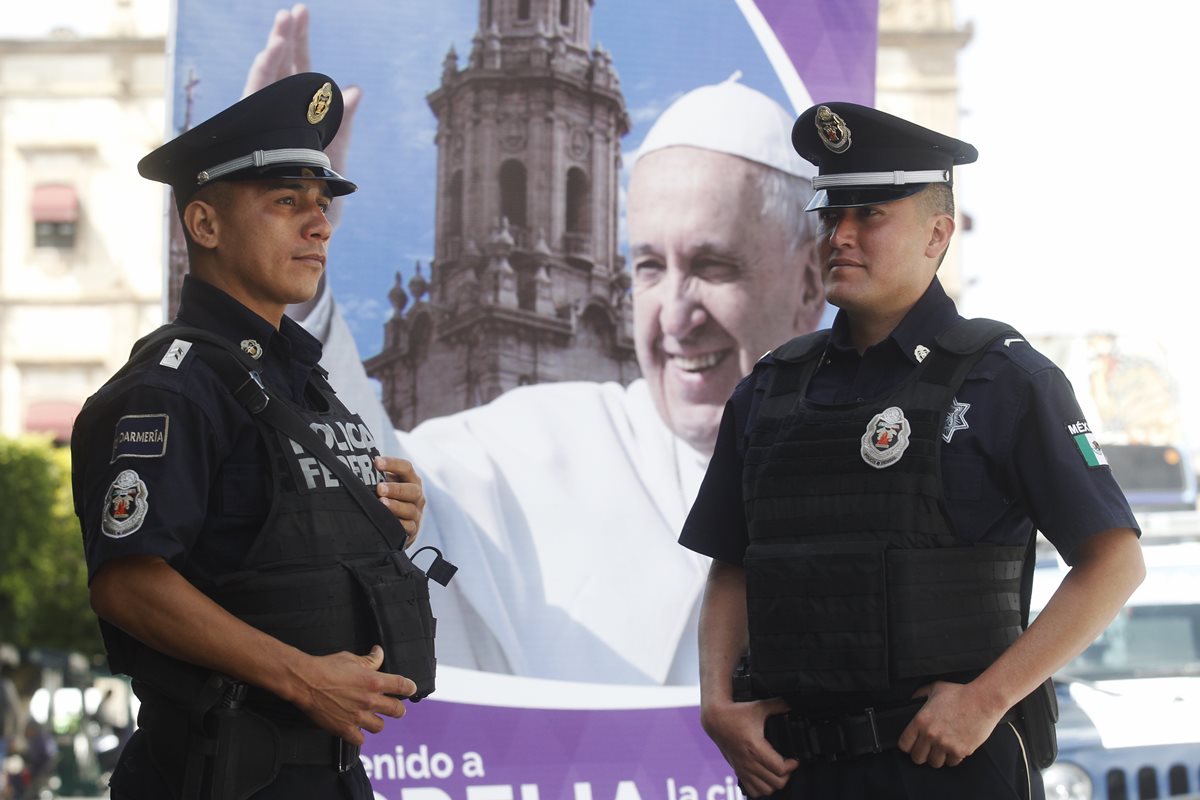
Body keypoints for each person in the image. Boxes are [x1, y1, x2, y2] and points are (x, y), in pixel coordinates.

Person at [680, 102, 1146, 799]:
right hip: (794, 772)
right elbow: (733, 565)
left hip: (945, 769)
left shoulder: (1005, 379)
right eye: (831, 215)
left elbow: (1115, 563)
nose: (840, 235)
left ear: (937, 234)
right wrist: (717, 703)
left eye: (870, 215)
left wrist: (987, 700)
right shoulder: (771, 389)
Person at [296, 74, 826, 685]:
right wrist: (292, 288)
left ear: (809, 283)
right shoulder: (530, 445)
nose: (677, 317)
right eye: (650, 266)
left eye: (712, 266)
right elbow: (374, 490)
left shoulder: (877, 455)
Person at [71, 73, 439, 799]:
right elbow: (129, 584)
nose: (319, 225)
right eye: (286, 203)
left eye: (322, 204)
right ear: (204, 225)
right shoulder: (170, 388)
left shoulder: (301, 379)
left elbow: (284, 550)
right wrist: (304, 680)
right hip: (216, 773)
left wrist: (388, 517)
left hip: (325, 772)